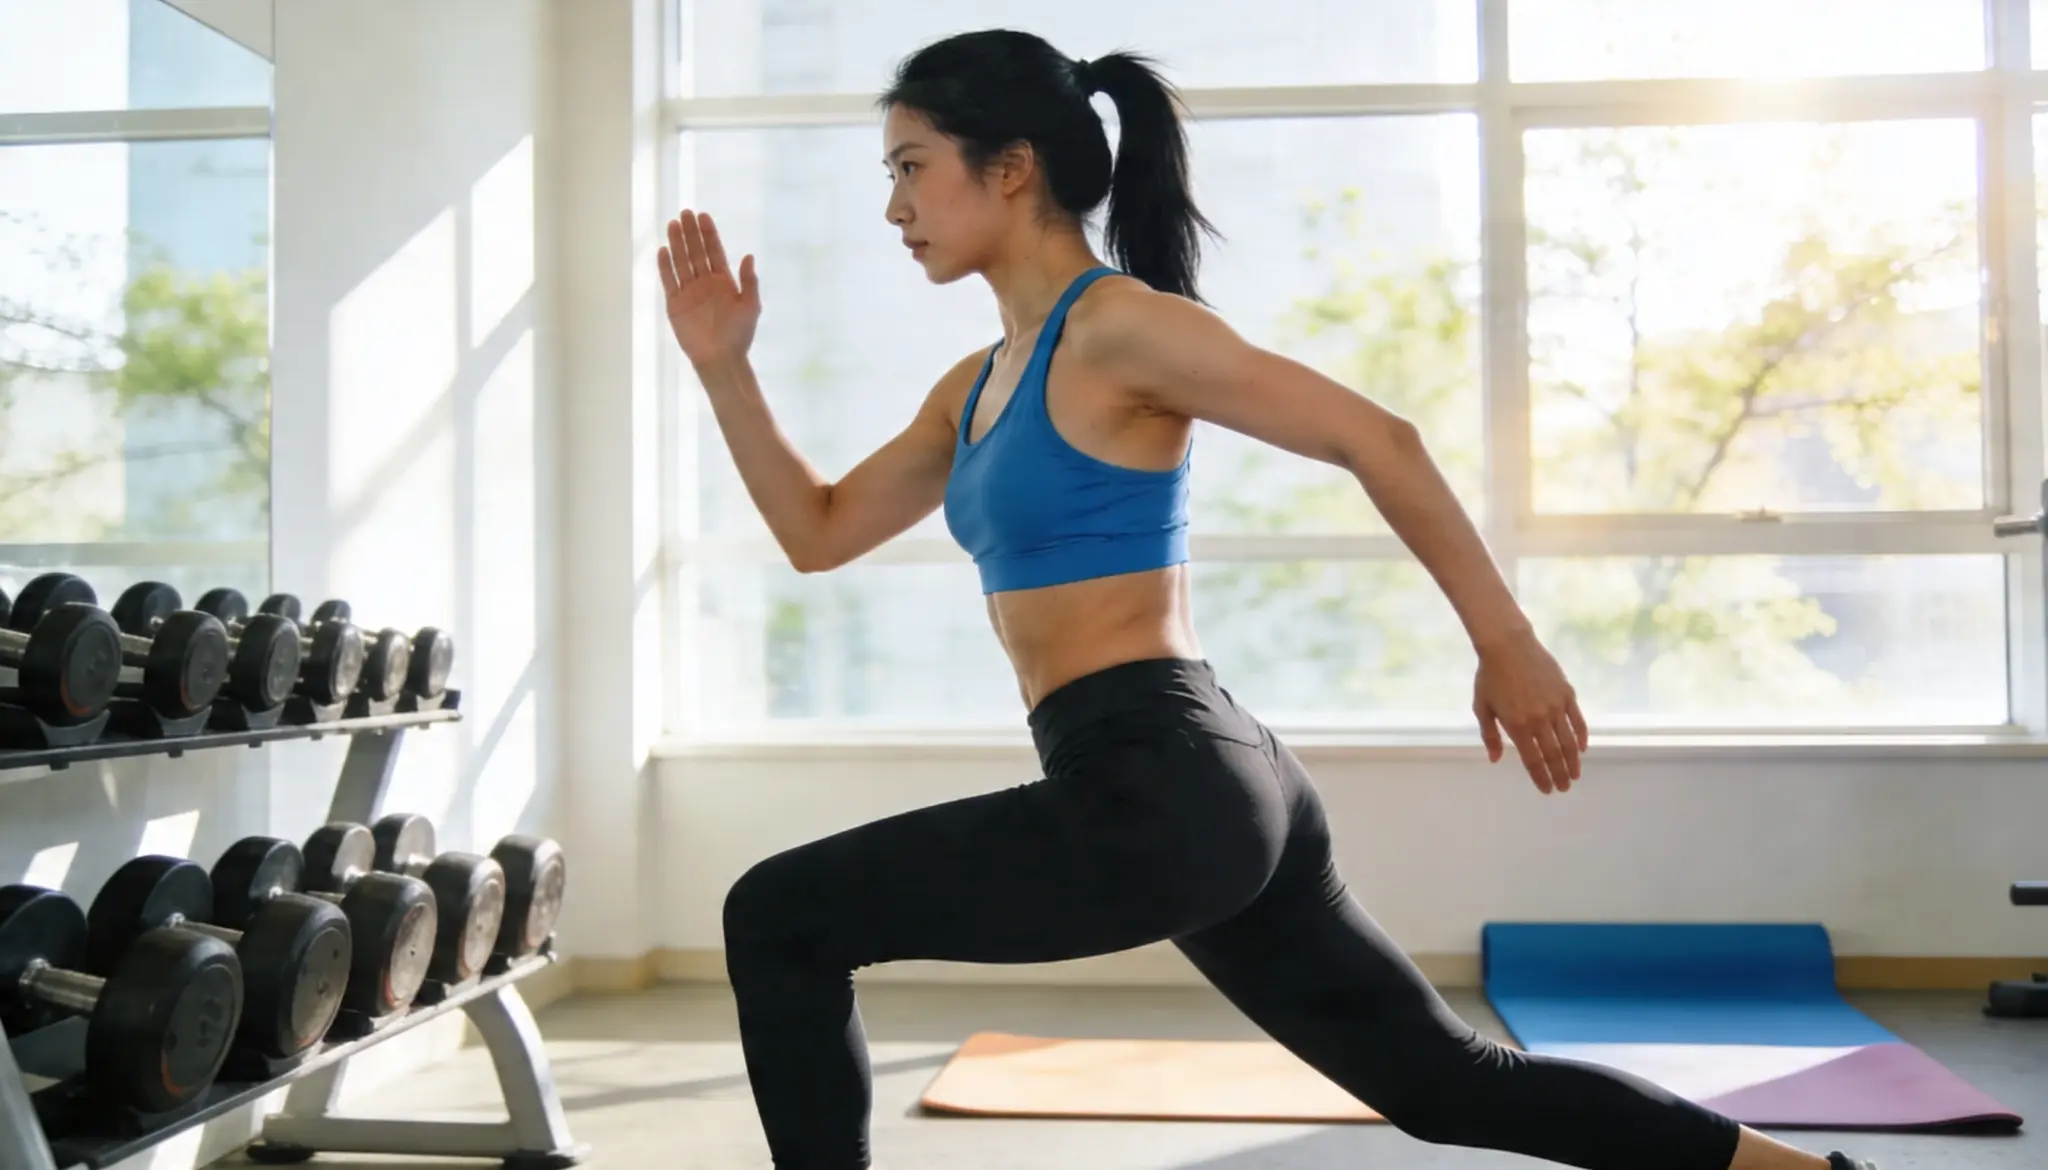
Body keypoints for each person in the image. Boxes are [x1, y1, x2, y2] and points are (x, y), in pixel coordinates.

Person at [656, 26, 1878, 1170]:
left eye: (912, 168)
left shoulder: (1121, 328)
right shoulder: (972, 385)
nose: (894, 206)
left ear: (1013, 168)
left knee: (778, 915)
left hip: (1158, 783)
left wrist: (1506, 645)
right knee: (1444, 1085)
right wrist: (722, 368)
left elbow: (1379, 439)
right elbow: (817, 533)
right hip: (1192, 780)